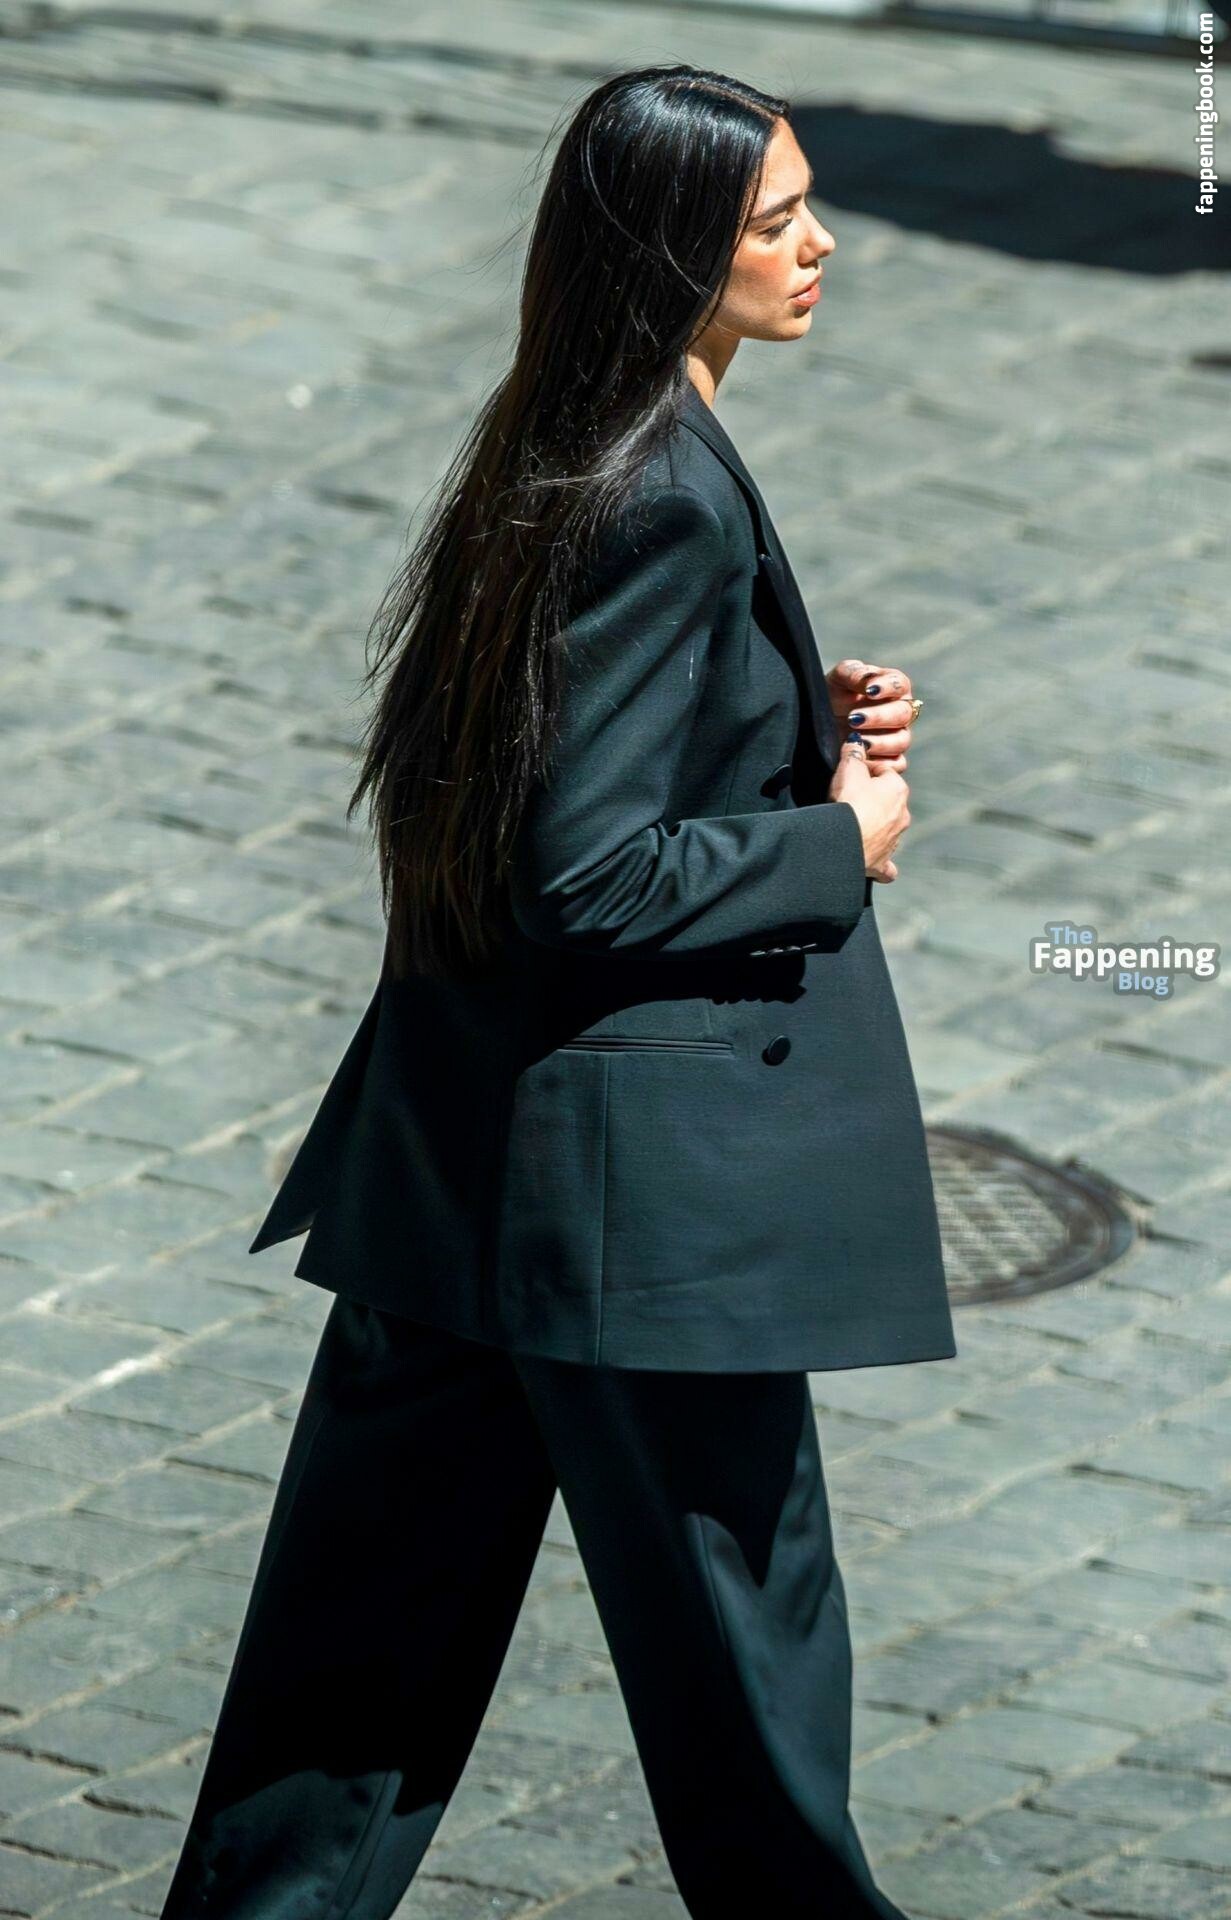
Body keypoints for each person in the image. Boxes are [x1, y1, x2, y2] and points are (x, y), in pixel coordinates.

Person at [160, 64, 956, 1920]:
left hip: (462, 1174)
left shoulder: (565, 435)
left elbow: (548, 782)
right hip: (633, 1223)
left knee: (346, 1690)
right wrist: (838, 839)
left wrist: (786, 730)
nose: (820, 246)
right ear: (669, 255)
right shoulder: (657, 492)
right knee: (752, 1684)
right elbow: (581, 873)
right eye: (774, 222)